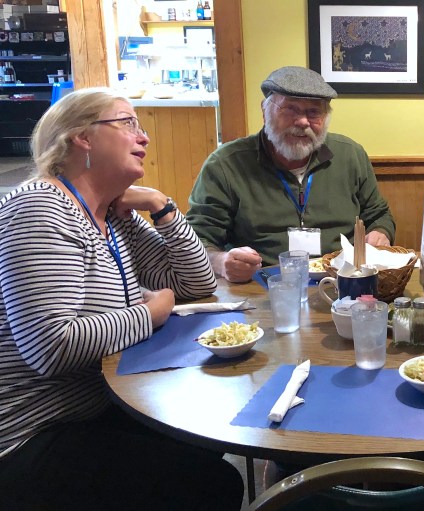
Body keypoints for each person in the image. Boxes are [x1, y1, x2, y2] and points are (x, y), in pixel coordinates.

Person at [0, 88, 244, 510]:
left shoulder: (111, 216)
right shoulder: (40, 208)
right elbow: (50, 347)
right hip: (30, 431)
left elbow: (196, 283)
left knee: (207, 434)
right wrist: (151, 313)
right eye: (127, 123)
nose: (143, 136)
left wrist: (161, 205)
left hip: (96, 405)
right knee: (212, 483)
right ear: (82, 137)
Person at [187, 66, 396, 282]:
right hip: (260, 285)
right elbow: (197, 239)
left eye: (313, 112)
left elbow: (378, 215)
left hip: (342, 281)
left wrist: (381, 232)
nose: (303, 122)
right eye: (290, 109)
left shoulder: (350, 155)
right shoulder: (225, 164)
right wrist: (220, 261)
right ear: (264, 111)